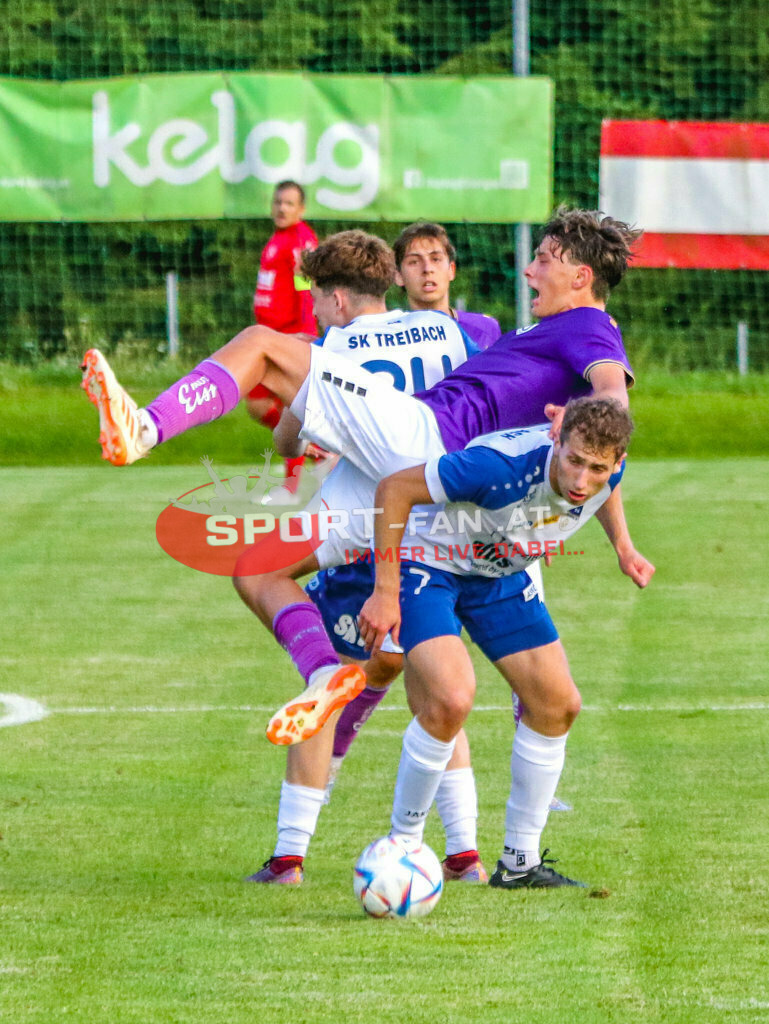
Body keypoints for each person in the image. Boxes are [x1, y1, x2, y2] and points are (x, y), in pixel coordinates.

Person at [81, 207, 640, 758]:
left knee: (261, 345)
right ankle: (325, 674)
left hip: (424, 440)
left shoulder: (585, 325)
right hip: (416, 488)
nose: (530, 270)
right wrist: (621, 539)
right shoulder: (535, 329)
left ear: (579, 275)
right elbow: (600, 440)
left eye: (542, 259)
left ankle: (146, 428)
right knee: (257, 566)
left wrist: (585, 413)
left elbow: (612, 394)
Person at [251, 223, 504, 884]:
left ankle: (288, 857)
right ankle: (466, 854)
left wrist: (298, 422)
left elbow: (285, 437)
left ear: (334, 299)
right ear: (391, 278)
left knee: (327, 676)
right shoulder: (460, 332)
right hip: (444, 522)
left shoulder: (328, 346)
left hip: (365, 524)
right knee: (432, 686)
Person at [357, 398, 654, 887]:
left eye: (598, 468)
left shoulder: (606, 474)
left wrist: (623, 546)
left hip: (498, 573)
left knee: (557, 704)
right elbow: (394, 489)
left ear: (617, 462)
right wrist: (386, 591)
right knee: (451, 698)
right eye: (574, 461)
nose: (582, 480)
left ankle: (520, 864)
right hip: (430, 564)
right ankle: (401, 849)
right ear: (556, 441)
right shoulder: (496, 467)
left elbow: (606, 493)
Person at [248, 180, 319, 493]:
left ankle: (290, 486)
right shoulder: (278, 238)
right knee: (259, 405)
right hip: (270, 334)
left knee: (289, 407)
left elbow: (306, 288)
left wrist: (305, 330)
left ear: (301, 209)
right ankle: (321, 451)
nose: (281, 208)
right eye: (278, 202)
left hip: (291, 334)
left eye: (289, 203)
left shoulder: (301, 240)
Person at [392, 220, 502, 350]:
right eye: (414, 262)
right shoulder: (389, 336)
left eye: (436, 259)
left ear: (452, 270)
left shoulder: (485, 329)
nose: (427, 269)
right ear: (398, 276)